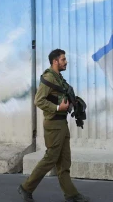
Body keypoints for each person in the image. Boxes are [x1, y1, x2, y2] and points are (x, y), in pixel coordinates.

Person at [19, 49, 90, 202]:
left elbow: (60, 96)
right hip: (53, 125)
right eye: (63, 60)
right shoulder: (48, 77)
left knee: (65, 161)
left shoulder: (59, 78)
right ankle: (26, 187)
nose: (66, 62)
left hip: (62, 123)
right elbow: (38, 100)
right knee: (50, 159)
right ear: (55, 61)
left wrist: (73, 103)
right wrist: (57, 108)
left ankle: (71, 194)